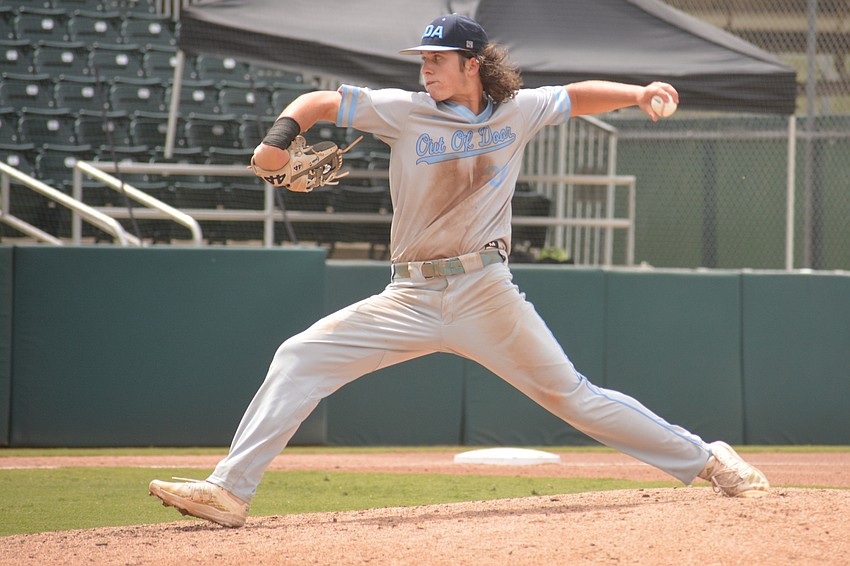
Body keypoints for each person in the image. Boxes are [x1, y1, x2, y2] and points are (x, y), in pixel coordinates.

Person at [150, 13, 769, 528]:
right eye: (422, 59)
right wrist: (278, 138)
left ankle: (709, 460)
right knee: (299, 356)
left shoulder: (517, 110)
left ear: (472, 64)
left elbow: (576, 96)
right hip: (408, 297)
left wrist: (638, 94)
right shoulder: (403, 110)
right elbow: (317, 101)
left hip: (484, 291)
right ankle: (230, 491)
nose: (425, 69)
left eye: (437, 59)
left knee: (573, 397)